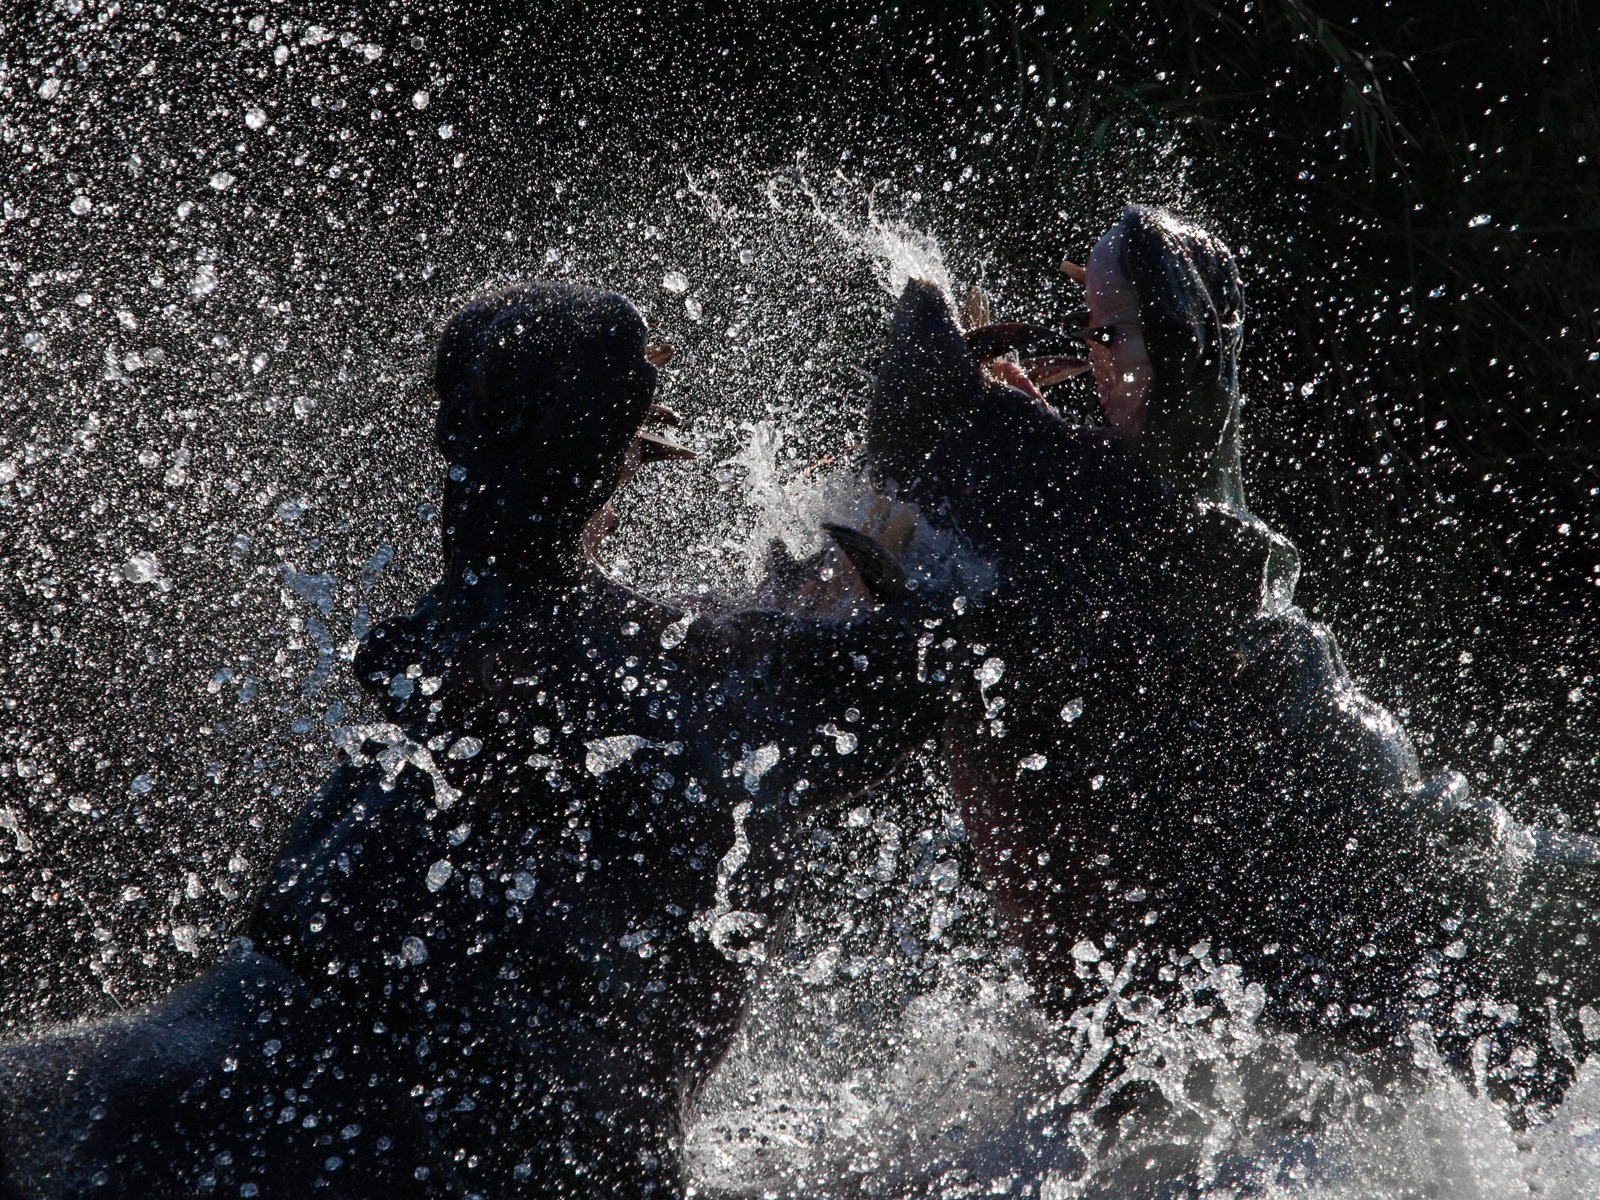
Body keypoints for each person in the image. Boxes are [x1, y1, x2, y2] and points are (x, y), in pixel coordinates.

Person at [865, 206, 1600, 1120]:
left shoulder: (1172, 543)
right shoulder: (1125, 509)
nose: (1090, 358)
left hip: (1412, 879)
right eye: (1083, 329)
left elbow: (927, 399)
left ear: (1181, 349)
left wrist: (991, 413)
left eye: (1108, 332)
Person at [246, 283, 957, 1198]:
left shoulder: (424, 654)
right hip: (558, 1161)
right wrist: (947, 470)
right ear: (618, 461)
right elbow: (929, 660)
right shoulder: (675, 675)